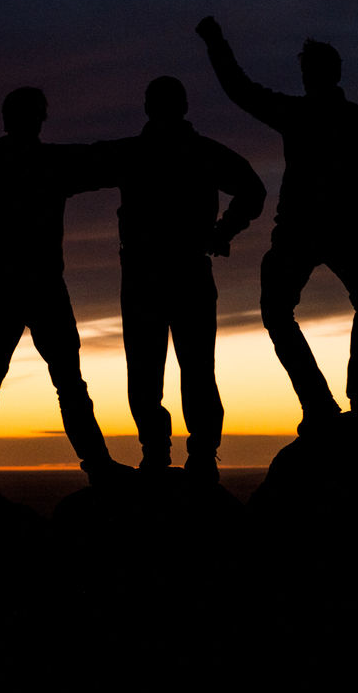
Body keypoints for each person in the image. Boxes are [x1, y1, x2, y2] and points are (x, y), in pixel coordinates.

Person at [195, 17, 358, 429]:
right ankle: (352, 394)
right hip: (327, 231)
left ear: (321, 75)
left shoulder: (303, 113)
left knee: (285, 311)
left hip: (310, 231)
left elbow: (241, 89)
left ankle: (329, 401)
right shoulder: (344, 117)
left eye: (311, 72)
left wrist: (216, 42)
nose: (308, 78)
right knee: (354, 306)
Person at [0, 87, 128, 489]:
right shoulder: (48, 163)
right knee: (57, 382)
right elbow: (108, 159)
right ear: (38, 119)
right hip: (37, 288)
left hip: (12, 288)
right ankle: (97, 465)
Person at [96, 76, 264, 482]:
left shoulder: (133, 153)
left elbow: (252, 190)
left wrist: (223, 231)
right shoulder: (195, 152)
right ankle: (190, 455)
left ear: (148, 107)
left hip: (152, 274)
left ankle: (169, 454)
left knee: (153, 369)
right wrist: (223, 231)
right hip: (177, 271)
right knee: (184, 368)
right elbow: (252, 190)